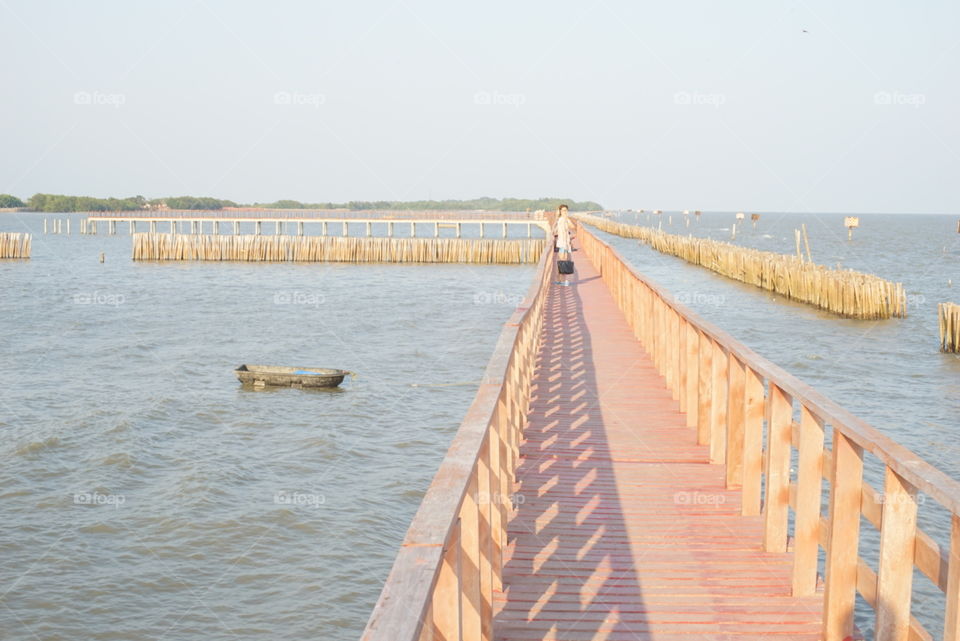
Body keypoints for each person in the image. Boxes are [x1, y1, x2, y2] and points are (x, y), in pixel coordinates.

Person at [555, 204, 572, 285]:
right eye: (563, 210)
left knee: (561, 262)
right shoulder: (562, 220)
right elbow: (562, 233)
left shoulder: (564, 220)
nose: (565, 212)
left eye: (566, 210)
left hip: (564, 243)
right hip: (562, 244)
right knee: (563, 262)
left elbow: (573, 227)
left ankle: (559, 280)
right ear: (560, 211)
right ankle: (563, 281)